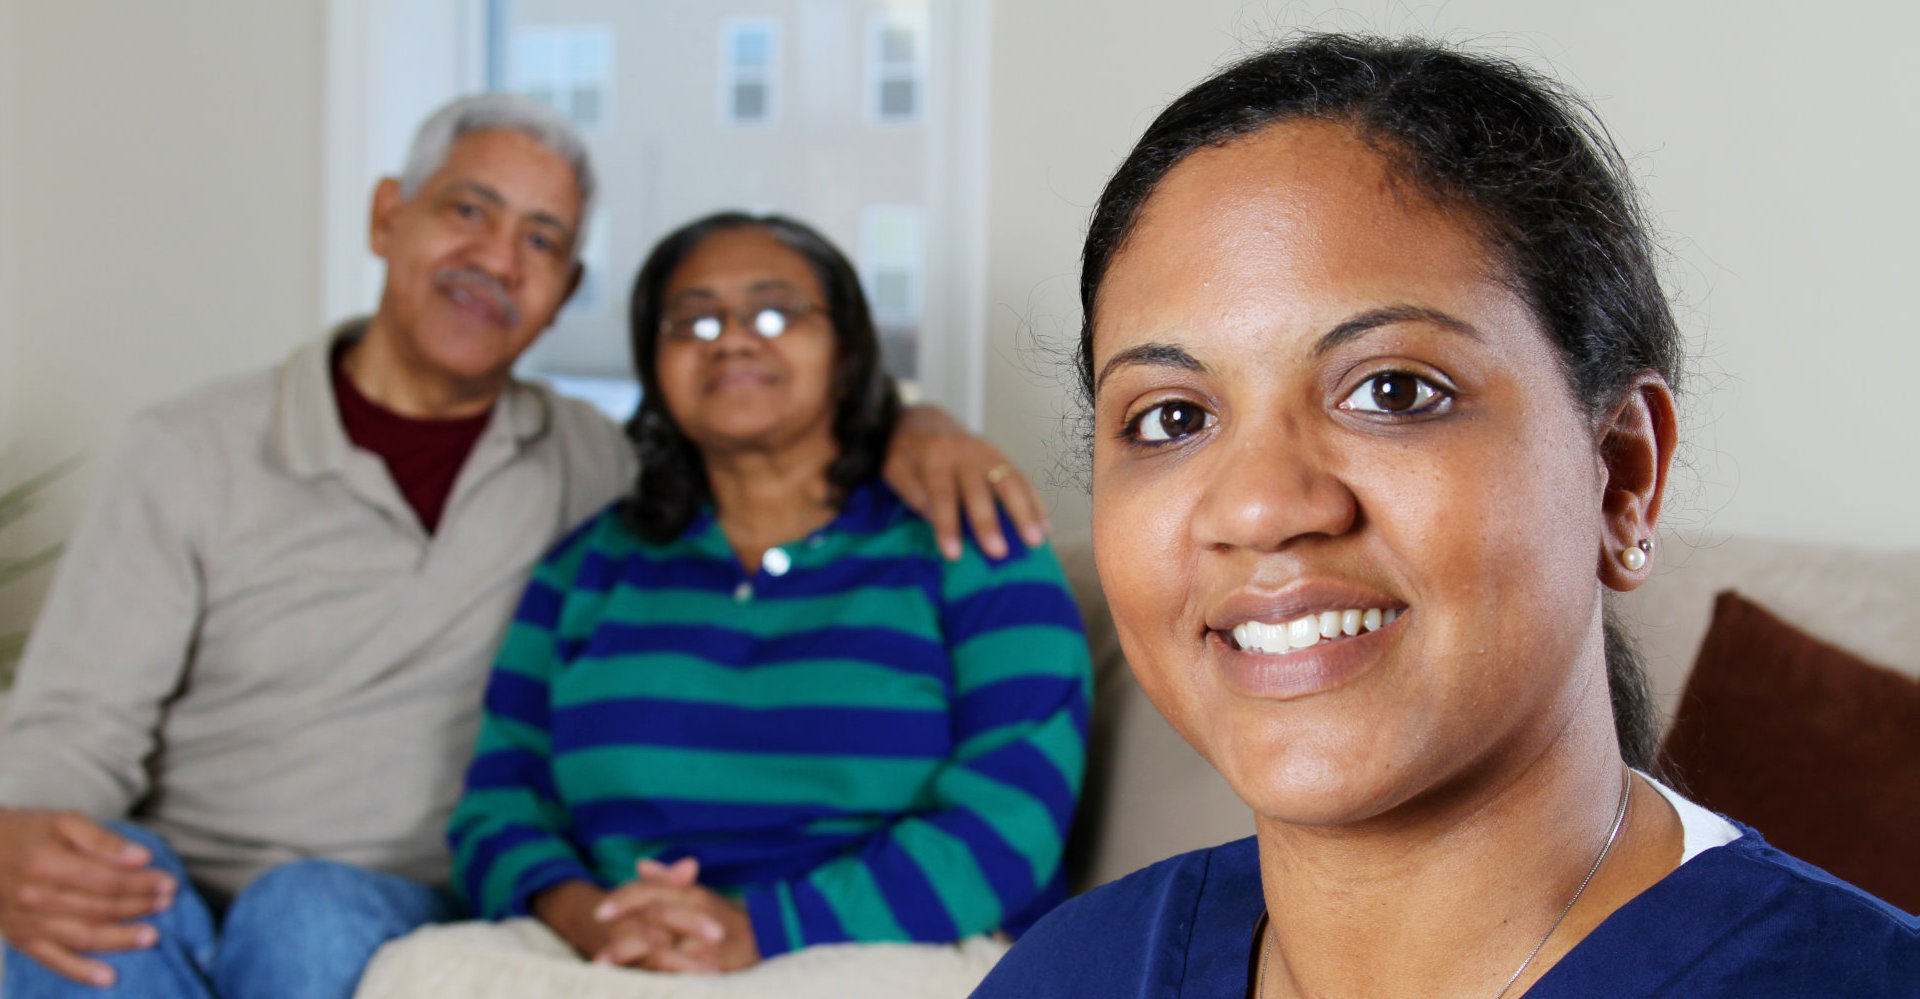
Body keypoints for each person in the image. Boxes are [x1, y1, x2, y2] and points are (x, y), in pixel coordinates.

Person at [0, 96, 1047, 999]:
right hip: (190, 876)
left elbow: (772, 444)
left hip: (377, 899)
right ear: (385, 217)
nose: (499, 259)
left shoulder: (590, 467)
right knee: (68, 905)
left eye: (542, 239)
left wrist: (918, 426)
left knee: (304, 912)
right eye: (469, 209)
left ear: (563, 290)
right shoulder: (197, 450)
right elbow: (75, 724)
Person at [972, 34, 1918, 999]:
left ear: (1623, 473)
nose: (1258, 505)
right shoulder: (1069, 973)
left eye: (1391, 390)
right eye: (1172, 416)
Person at [442, 212, 1091, 976]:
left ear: (847, 354)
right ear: (655, 367)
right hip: (615, 950)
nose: (733, 338)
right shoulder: (584, 568)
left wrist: (763, 926)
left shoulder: (974, 539)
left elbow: (1014, 818)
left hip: (895, 951)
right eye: (693, 321)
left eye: (776, 312)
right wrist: (593, 916)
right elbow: (497, 804)